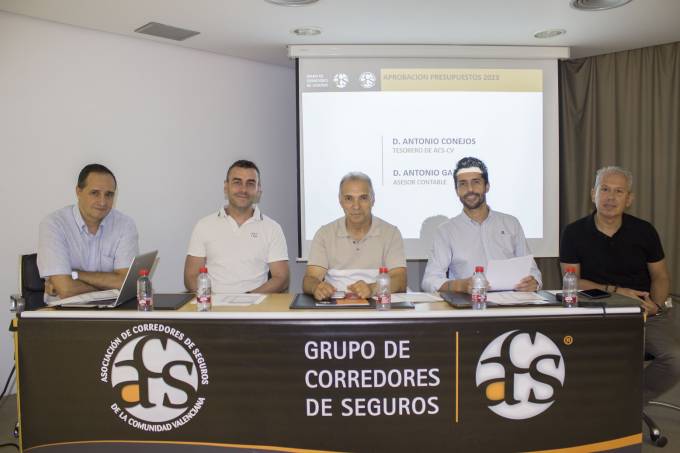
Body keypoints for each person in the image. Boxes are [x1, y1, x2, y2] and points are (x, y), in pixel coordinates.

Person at [560, 166, 680, 404]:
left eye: (619, 191)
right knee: (574, 355)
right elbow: (572, 281)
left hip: (644, 315)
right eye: (604, 189)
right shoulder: (574, 232)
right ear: (593, 194)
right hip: (594, 314)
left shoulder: (644, 231)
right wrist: (616, 291)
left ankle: (628, 403)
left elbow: (660, 276)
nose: (610, 197)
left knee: (674, 360)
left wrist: (655, 305)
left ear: (629, 199)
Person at [422, 157, 541, 293]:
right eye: (463, 184)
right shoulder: (446, 231)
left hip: (512, 300)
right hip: (469, 302)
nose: (470, 189)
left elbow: (532, 271)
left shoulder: (511, 223)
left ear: (487, 186)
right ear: (456, 190)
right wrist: (460, 286)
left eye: (476, 182)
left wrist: (534, 282)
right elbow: (429, 280)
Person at [184, 160, 289, 293]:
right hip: (213, 303)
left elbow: (281, 278)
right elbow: (190, 276)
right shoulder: (204, 226)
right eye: (237, 182)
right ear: (226, 187)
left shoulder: (272, 228)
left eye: (250, 184)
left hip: (255, 303)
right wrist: (214, 300)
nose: (243, 190)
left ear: (258, 190)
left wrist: (248, 299)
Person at [38, 164, 139, 299]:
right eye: (94, 193)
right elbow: (66, 290)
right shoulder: (54, 224)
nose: (102, 202)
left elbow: (126, 283)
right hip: (64, 309)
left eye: (109, 194)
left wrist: (75, 274)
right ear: (78, 192)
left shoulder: (125, 225)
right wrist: (113, 284)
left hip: (113, 308)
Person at [303, 172, 407, 300]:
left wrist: (372, 289)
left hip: (378, 306)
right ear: (340, 201)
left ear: (373, 200)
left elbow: (400, 280)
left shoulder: (391, 233)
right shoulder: (324, 234)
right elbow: (310, 279)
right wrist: (316, 287)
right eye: (349, 199)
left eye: (363, 198)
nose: (356, 206)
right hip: (335, 306)